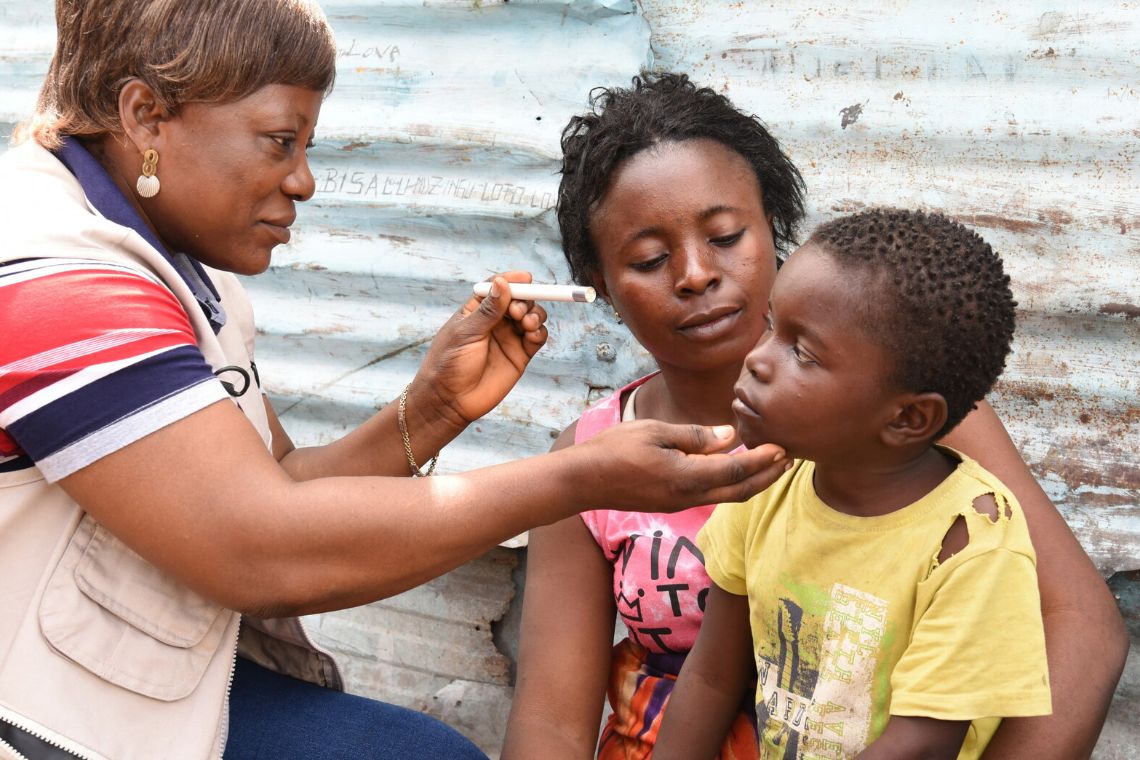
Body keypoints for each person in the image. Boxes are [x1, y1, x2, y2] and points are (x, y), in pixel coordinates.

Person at [0, 6, 793, 760]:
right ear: (144, 117)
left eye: (725, 236)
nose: (304, 181)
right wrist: (579, 479)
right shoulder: (51, 274)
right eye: (279, 141)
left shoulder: (183, 278)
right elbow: (259, 548)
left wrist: (433, 409)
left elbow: (272, 487)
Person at [503, 72, 1128, 760]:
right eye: (650, 259)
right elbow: (552, 726)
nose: (695, 274)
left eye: (726, 235)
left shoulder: (907, 422)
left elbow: (1082, 627)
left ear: (773, 229)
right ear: (602, 286)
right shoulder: (589, 461)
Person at [655, 208, 1051, 759]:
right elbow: (711, 677)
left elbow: (923, 744)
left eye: (802, 352)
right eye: (772, 326)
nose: (756, 359)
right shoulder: (769, 483)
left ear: (907, 419)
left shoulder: (968, 541)